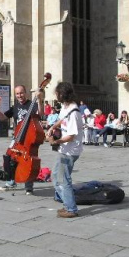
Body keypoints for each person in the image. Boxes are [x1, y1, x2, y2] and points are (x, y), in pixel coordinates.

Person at [0, 85, 44, 195]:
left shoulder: (32, 104)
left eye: (21, 93)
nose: (19, 95)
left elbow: (40, 114)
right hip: (16, 137)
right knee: (9, 158)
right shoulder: (15, 106)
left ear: (25, 93)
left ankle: (29, 187)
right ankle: (11, 181)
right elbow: (2, 117)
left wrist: (40, 100)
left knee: (30, 161)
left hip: (29, 138)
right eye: (17, 93)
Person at [46, 82, 83, 218]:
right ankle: (68, 203)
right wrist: (52, 127)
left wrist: (56, 141)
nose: (56, 96)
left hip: (70, 151)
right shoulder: (65, 107)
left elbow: (72, 135)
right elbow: (62, 119)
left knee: (62, 179)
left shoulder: (74, 112)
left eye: (57, 93)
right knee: (56, 176)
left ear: (63, 94)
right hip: (65, 149)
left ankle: (71, 208)